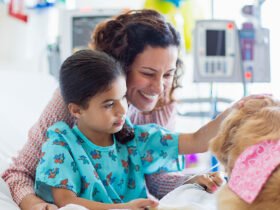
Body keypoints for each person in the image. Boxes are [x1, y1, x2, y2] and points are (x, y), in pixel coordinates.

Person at [1, 9, 244, 210]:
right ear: (121, 66)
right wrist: (35, 205)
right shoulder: (70, 116)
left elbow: (157, 172)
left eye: (168, 74)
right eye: (148, 73)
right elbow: (19, 173)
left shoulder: (150, 122)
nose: (160, 88)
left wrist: (190, 182)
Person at [35, 49, 216, 209]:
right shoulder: (61, 144)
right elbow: (66, 202)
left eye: (122, 98)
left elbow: (196, 141)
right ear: (76, 110)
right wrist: (124, 208)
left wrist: (238, 109)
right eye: (108, 104)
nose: (122, 110)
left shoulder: (132, 138)